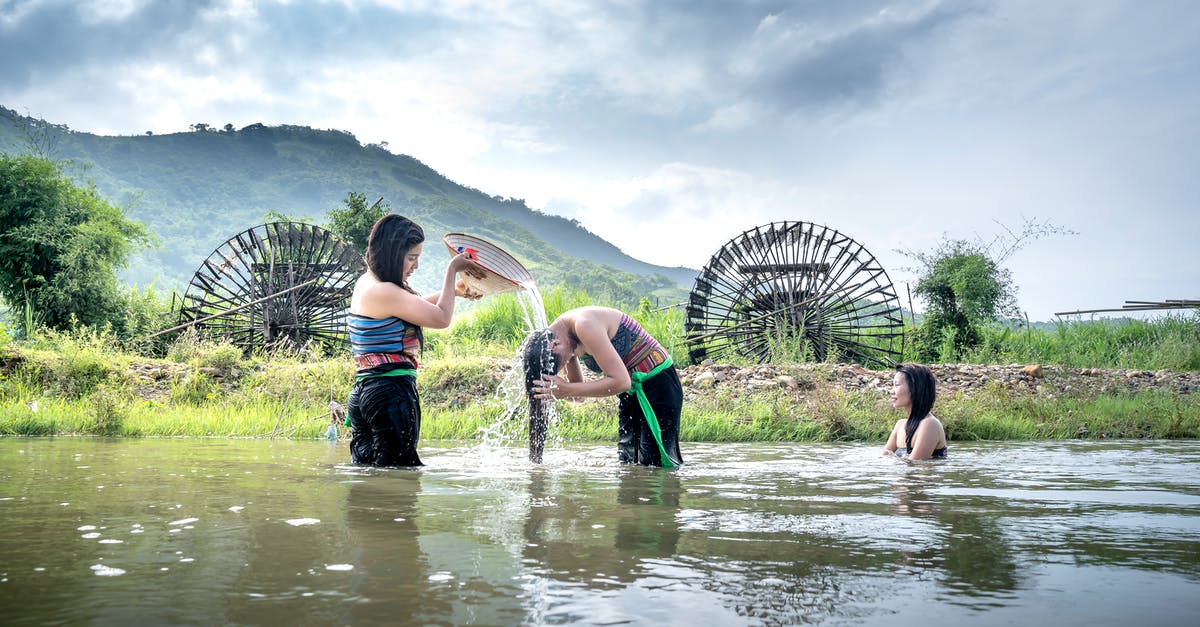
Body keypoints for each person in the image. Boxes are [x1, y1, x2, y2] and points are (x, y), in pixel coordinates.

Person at [347, 214, 479, 467]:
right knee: (399, 474)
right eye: (411, 258)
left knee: (369, 474)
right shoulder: (385, 290)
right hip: (390, 393)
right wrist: (452, 271)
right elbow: (441, 318)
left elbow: (407, 307)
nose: (415, 265)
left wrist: (454, 291)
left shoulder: (368, 282)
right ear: (391, 253)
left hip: (366, 393)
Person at [529, 306, 683, 467]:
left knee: (657, 463)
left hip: (658, 384)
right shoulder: (565, 339)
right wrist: (566, 383)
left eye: (561, 364)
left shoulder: (584, 324)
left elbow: (621, 381)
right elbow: (578, 396)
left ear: (555, 344)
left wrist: (566, 389)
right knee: (628, 460)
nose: (564, 365)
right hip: (630, 392)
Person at [883, 363, 947, 460]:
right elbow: (883, 459)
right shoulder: (900, 425)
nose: (891, 391)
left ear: (915, 388)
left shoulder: (930, 424)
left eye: (897, 385)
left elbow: (915, 464)